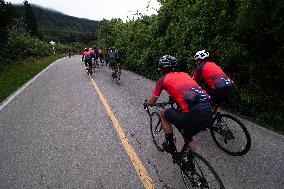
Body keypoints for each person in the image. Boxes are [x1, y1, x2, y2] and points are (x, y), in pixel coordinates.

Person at [146, 55, 212, 162]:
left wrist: (147, 103)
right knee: (187, 134)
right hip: (209, 112)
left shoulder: (162, 80)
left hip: (192, 115)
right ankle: (191, 161)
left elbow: (152, 101)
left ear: (162, 68)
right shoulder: (185, 74)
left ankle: (171, 147)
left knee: (163, 113)